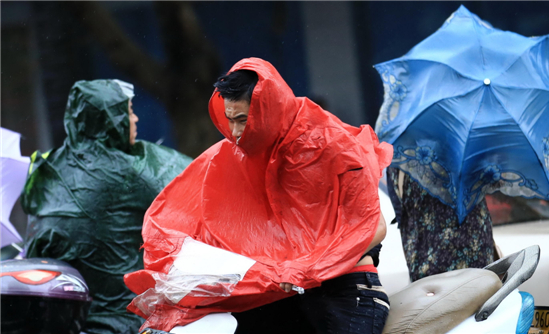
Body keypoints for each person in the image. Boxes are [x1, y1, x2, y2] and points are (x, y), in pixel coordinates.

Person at [123, 58, 393, 334]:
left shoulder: (333, 144)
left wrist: (312, 266)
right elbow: (179, 215)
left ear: (269, 110)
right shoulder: (235, 153)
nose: (236, 133)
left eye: (243, 120)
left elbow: (374, 226)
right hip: (279, 295)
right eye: (230, 121)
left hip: (345, 292)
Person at [22, 79, 192, 334]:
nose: (135, 119)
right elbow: (195, 186)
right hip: (131, 322)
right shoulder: (132, 170)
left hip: (70, 321)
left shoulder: (50, 168)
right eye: (128, 112)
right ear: (112, 120)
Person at [386, 168, 495, 282]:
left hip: (426, 265)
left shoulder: (399, 159)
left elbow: (402, 218)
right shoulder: (463, 153)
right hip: (473, 254)